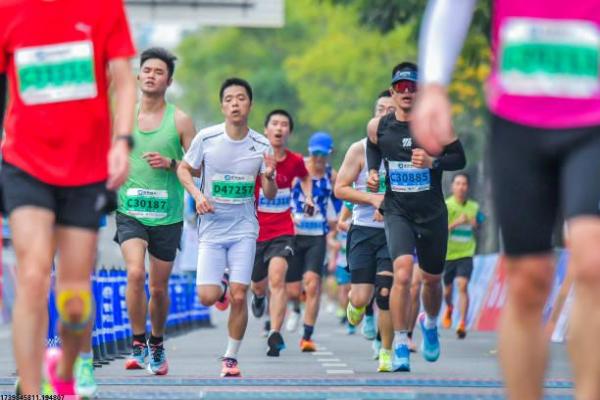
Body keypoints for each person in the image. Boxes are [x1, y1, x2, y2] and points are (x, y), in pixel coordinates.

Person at [414, 1, 600, 398]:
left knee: (592, 258)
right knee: (528, 279)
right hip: (518, 120)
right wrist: (434, 86)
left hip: (592, 119)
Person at [0, 0, 136, 395]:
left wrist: (122, 142)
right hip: (24, 162)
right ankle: (30, 391)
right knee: (32, 274)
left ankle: (63, 369)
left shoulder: (105, 8)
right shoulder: (8, 10)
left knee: (75, 300)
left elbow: (124, 81)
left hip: (85, 169)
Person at [366, 62, 466, 372]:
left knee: (432, 281)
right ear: (393, 91)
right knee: (403, 272)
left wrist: (433, 161)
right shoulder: (378, 126)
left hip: (432, 213)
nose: (406, 92)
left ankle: (430, 323)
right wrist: (372, 172)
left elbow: (459, 157)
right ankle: (400, 342)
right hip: (398, 210)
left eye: (412, 87)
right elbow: (373, 147)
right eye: (401, 87)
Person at [177, 77, 277, 377]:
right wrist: (197, 196)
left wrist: (270, 177)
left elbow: (270, 194)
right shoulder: (207, 138)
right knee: (207, 297)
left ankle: (231, 357)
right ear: (222, 106)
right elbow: (184, 169)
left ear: (250, 105)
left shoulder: (262, 145)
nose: (235, 104)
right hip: (212, 229)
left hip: (244, 228)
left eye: (241, 98)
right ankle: (219, 286)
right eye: (229, 99)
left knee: (240, 294)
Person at [114, 47, 196, 375]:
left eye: (159, 72)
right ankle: (137, 342)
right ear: (138, 76)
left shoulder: (180, 120)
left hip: (167, 215)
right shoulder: (123, 117)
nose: (151, 75)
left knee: (159, 287)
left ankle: (157, 343)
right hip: (130, 210)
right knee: (135, 273)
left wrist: (171, 162)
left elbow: (199, 166)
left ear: (169, 81)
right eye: (147, 70)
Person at [334, 90, 397, 372]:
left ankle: (386, 352)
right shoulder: (358, 149)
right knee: (360, 297)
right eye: (380, 109)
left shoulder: (406, 150)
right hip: (362, 231)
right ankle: (357, 306)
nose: (385, 115)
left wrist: (391, 206)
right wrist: (372, 199)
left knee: (385, 294)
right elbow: (340, 188)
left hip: (393, 232)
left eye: (390, 110)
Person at [250, 109, 313, 357]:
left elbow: (305, 177)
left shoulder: (295, 160)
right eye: (274, 123)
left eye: (284, 124)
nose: (279, 128)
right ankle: (258, 298)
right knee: (258, 284)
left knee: (277, 279)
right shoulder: (254, 158)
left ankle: (275, 333)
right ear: (265, 130)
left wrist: (308, 197)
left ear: (289, 132)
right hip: (255, 230)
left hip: (283, 231)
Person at [286, 132, 337, 352]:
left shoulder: (331, 175)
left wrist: (337, 222)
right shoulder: (297, 170)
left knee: (313, 283)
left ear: (329, 154)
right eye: (315, 153)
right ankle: (295, 307)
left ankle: (307, 336)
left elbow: (342, 200)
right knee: (292, 290)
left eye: (322, 154)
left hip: (317, 236)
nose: (318, 158)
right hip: (294, 234)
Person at [441, 172, 482, 339]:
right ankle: (449, 307)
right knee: (447, 291)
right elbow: (440, 230)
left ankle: (462, 323)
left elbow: (480, 223)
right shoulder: (446, 205)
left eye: (464, 184)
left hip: (466, 253)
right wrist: (457, 222)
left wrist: (475, 223)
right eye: (457, 183)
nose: (461, 187)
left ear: (468, 187)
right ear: (452, 186)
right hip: (448, 254)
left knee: (463, 285)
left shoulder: (474, 207)